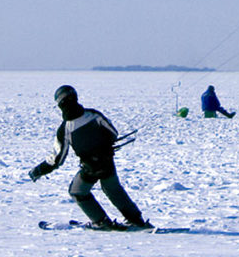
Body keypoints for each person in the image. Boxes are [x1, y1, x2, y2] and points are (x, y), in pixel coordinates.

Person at [28, 85, 151, 229]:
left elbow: (57, 160)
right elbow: (113, 133)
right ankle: (136, 220)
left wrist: (38, 170)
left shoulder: (65, 129)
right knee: (113, 190)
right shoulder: (94, 115)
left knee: (77, 192)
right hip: (107, 162)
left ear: (61, 104)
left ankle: (101, 222)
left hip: (89, 168)